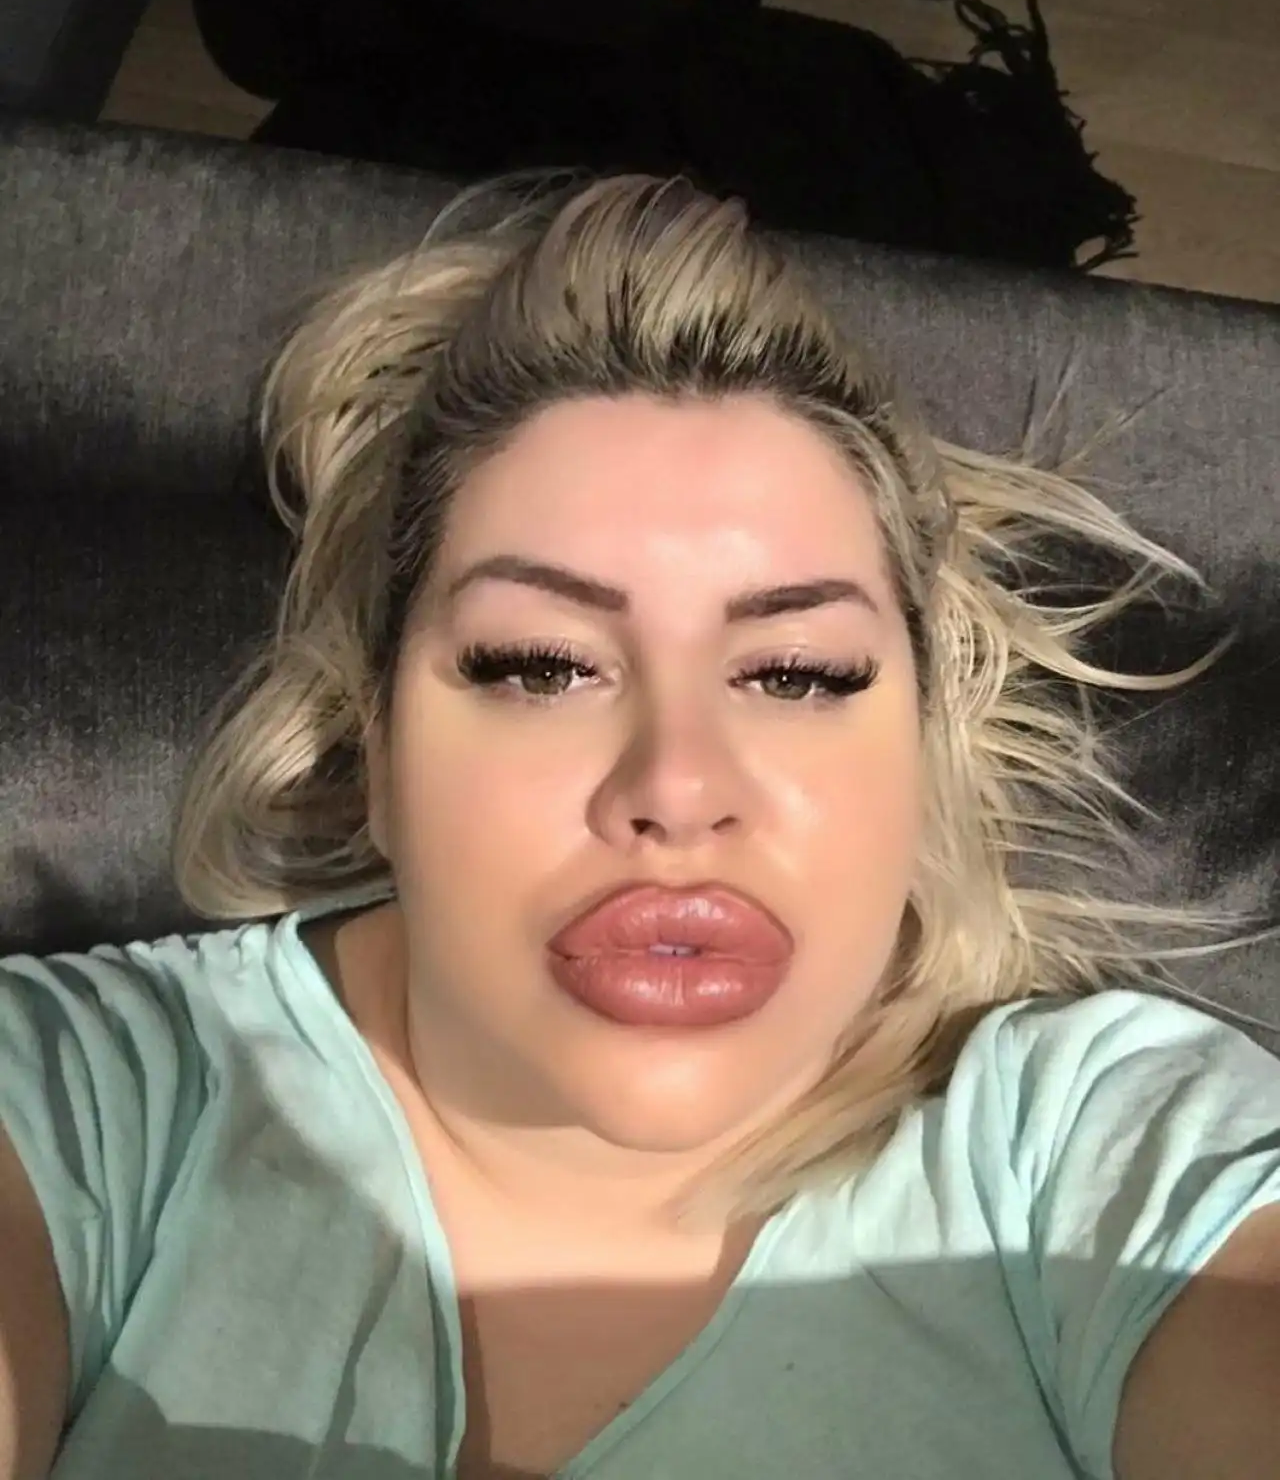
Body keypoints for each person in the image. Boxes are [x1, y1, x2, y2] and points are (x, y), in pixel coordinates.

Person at [1, 174, 1277, 1480]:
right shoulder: (83, 1099)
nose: (677, 784)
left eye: (798, 674)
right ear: (373, 742)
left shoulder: (1108, 1155)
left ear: (923, 742)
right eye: (539, 665)